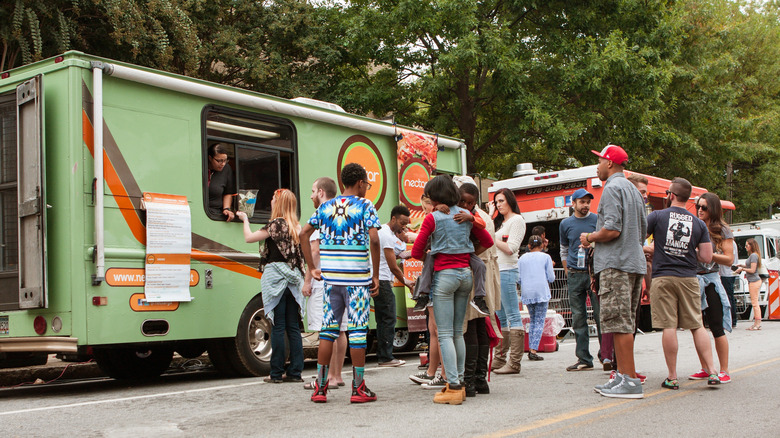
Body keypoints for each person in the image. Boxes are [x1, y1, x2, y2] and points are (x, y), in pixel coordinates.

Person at [300, 163, 382, 404]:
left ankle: (321, 387)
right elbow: (375, 239)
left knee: (327, 332)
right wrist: (375, 275)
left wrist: (313, 267)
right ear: (359, 183)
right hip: (357, 280)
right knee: (357, 332)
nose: (366, 188)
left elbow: (303, 234)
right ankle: (358, 388)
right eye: (366, 184)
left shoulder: (324, 207)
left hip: (331, 280)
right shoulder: (365, 205)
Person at [411, 176, 493, 405]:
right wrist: (468, 251)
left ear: (435, 197)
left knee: (445, 333)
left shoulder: (433, 218)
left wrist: (432, 250)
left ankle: (454, 385)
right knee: (458, 332)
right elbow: (487, 240)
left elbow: (417, 252)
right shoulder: (467, 217)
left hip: (444, 277)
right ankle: (461, 383)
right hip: (466, 275)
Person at [580, 144, 647, 399]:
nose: (597, 166)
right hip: (633, 262)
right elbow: (642, 230)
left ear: (610, 163)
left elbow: (612, 230)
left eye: (599, 161)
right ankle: (623, 376)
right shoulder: (633, 189)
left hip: (615, 264)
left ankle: (629, 380)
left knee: (618, 325)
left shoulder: (611, 188)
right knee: (626, 324)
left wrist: (590, 237)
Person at [644, 177, 720, 391]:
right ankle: (713, 372)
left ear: (671, 195)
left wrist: (656, 250)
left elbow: (639, 237)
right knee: (697, 324)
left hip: (663, 276)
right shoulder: (697, 223)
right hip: (688, 277)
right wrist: (685, 250)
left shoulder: (657, 216)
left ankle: (673, 377)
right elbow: (706, 257)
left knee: (669, 325)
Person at [237, 189, 304, 383]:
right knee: (293, 326)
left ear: (280, 203)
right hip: (294, 280)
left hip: (275, 278)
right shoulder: (297, 227)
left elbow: (249, 238)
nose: (271, 200)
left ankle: (275, 373)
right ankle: (295, 372)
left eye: (274, 198)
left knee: (277, 325)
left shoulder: (274, 225)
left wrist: (244, 219)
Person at [454, 179, 501, 397]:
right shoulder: (484, 216)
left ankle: (471, 380)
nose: (463, 204)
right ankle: (480, 379)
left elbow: (486, 242)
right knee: (481, 324)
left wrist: (469, 251)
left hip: (474, 272)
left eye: (466, 201)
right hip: (487, 271)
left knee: (471, 325)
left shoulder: (474, 217)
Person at [301, 177, 349, 389]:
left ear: (321, 192)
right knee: (341, 330)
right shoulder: (342, 212)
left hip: (324, 279)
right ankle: (337, 375)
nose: (311, 195)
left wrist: (308, 278)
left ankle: (327, 377)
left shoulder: (320, 213)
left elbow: (314, 250)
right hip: (344, 277)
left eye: (313, 191)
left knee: (326, 330)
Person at [690, 192, 733, 384]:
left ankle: (724, 369)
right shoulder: (693, 225)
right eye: (698, 206)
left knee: (716, 326)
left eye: (704, 207)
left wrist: (708, 254)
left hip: (712, 279)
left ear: (713, 209)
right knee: (697, 327)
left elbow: (729, 259)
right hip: (693, 280)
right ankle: (706, 367)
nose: (700, 210)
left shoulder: (722, 229)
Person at [559, 188, 600, 371]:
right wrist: (567, 270)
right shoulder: (565, 224)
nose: (585, 205)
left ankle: (606, 355)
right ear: (573, 203)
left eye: (587, 202)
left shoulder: (597, 220)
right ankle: (584, 358)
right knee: (578, 317)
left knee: (600, 316)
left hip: (593, 272)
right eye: (582, 202)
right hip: (575, 274)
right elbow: (564, 248)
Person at [490, 188, 527, 375]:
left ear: (510, 200)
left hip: (507, 270)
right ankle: (500, 358)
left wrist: (491, 237)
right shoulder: (500, 223)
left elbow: (511, 248)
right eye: (497, 202)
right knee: (502, 316)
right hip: (497, 271)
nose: (499, 204)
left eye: (502, 200)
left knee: (512, 315)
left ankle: (514, 362)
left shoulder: (517, 220)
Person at [376, 205, 415, 367]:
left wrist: (415, 251)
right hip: (383, 279)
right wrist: (407, 283)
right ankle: (386, 357)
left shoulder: (388, 234)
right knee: (389, 317)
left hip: (381, 279)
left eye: (406, 224)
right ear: (393, 219)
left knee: (383, 318)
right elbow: (393, 265)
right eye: (402, 223)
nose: (403, 227)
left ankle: (383, 355)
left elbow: (399, 255)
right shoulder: (385, 234)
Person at [518, 235, 555, 361]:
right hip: (541, 291)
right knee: (539, 321)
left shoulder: (522, 258)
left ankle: (531, 347)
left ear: (528, 246)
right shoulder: (546, 257)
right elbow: (551, 277)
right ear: (541, 246)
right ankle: (533, 350)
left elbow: (518, 277)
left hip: (527, 291)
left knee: (533, 319)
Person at [736, 238, 763, 330]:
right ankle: (756, 323)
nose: (745, 247)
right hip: (753, 281)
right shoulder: (753, 255)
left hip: (754, 281)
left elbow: (752, 270)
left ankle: (757, 323)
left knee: (755, 303)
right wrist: (742, 266)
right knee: (754, 302)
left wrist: (742, 269)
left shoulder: (754, 256)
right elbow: (750, 267)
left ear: (751, 246)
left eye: (747, 245)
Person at [207, 143, 236, 221]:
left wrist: (226, 208)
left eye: (225, 160)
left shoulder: (226, 169)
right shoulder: (201, 167)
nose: (223, 164)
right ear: (210, 158)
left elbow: (228, 192)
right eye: (219, 161)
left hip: (216, 213)